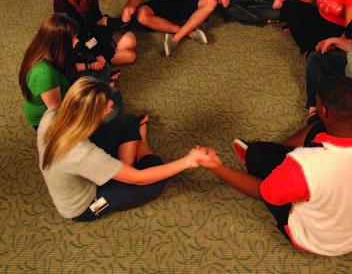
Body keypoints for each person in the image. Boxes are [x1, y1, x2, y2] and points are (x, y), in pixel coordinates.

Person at [199, 75, 352, 257]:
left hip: (314, 240)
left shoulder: (304, 164)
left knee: (258, 157)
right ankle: (276, 150)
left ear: (324, 110)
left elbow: (262, 192)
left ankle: (259, 154)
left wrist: (216, 167)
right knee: (318, 129)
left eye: (317, 105)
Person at [37, 76, 217, 221]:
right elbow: (139, 179)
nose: (111, 105)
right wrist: (189, 161)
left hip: (80, 162)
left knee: (128, 121)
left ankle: (121, 169)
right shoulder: (82, 153)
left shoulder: (53, 114)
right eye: (106, 104)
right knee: (155, 177)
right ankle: (141, 145)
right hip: (83, 204)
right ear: (90, 113)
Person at [54, 0, 137, 66]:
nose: (95, 0)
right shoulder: (61, 2)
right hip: (79, 42)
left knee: (131, 41)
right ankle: (96, 61)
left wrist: (120, 22)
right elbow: (70, 38)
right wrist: (94, 57)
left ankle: (104, 55)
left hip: (92, 32)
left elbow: (97, 19)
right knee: (131, 56)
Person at [19, 14, 79, 129]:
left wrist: (88, 66)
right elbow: (57, 113)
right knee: (106, 115)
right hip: (47, 119)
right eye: (73, 38)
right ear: (60, 43)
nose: (77, 41)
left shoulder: (42, 49)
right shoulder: (45, 74)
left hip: (59, 94)